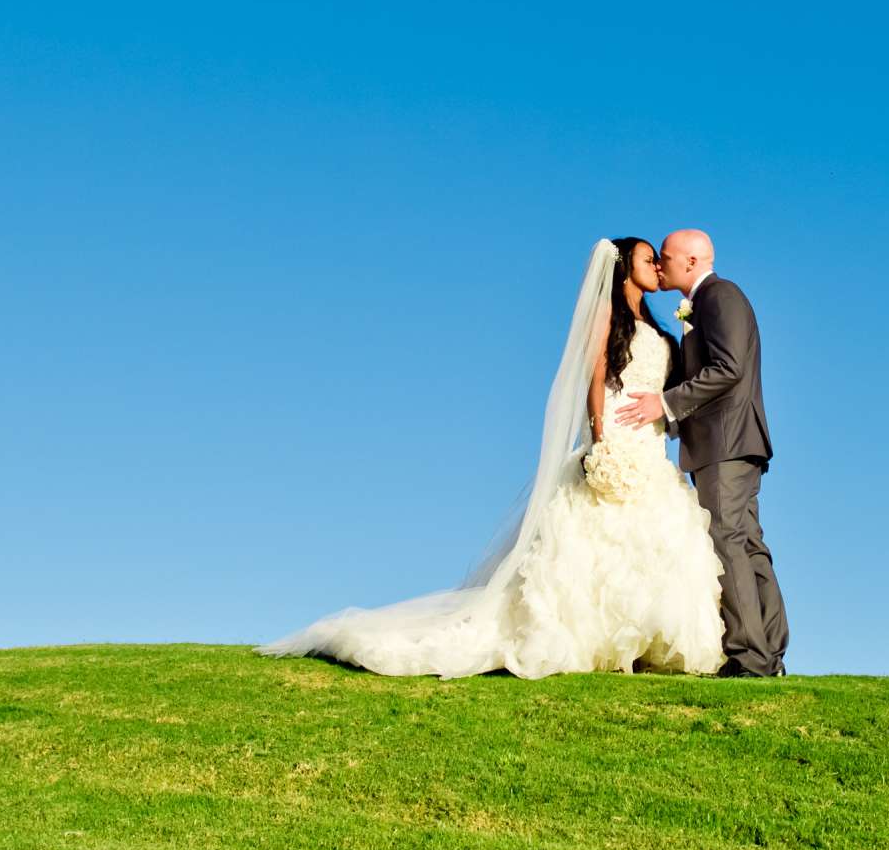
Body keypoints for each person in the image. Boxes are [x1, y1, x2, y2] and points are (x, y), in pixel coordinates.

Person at [257, 238, 724, 677]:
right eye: (648, 260)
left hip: (650, 445)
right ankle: (591, 641)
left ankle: (641, 646)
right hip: (618, 438)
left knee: (650, 544)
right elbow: (594, 378)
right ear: (624, 269)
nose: (657, 267)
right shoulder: (607, 315)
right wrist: (601, 439)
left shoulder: (661, 328)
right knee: (595, 546)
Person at [614, 229, 789, 677]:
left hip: (727, 442)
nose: (660, 265)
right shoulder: (703, 303)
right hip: (730, 443)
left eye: (666, 257)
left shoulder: (719, 295)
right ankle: (768, 651)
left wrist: (666, 404)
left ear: (690, 262)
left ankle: (750, 656)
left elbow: (728, 368)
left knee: (729, 541)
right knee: (746, 542)